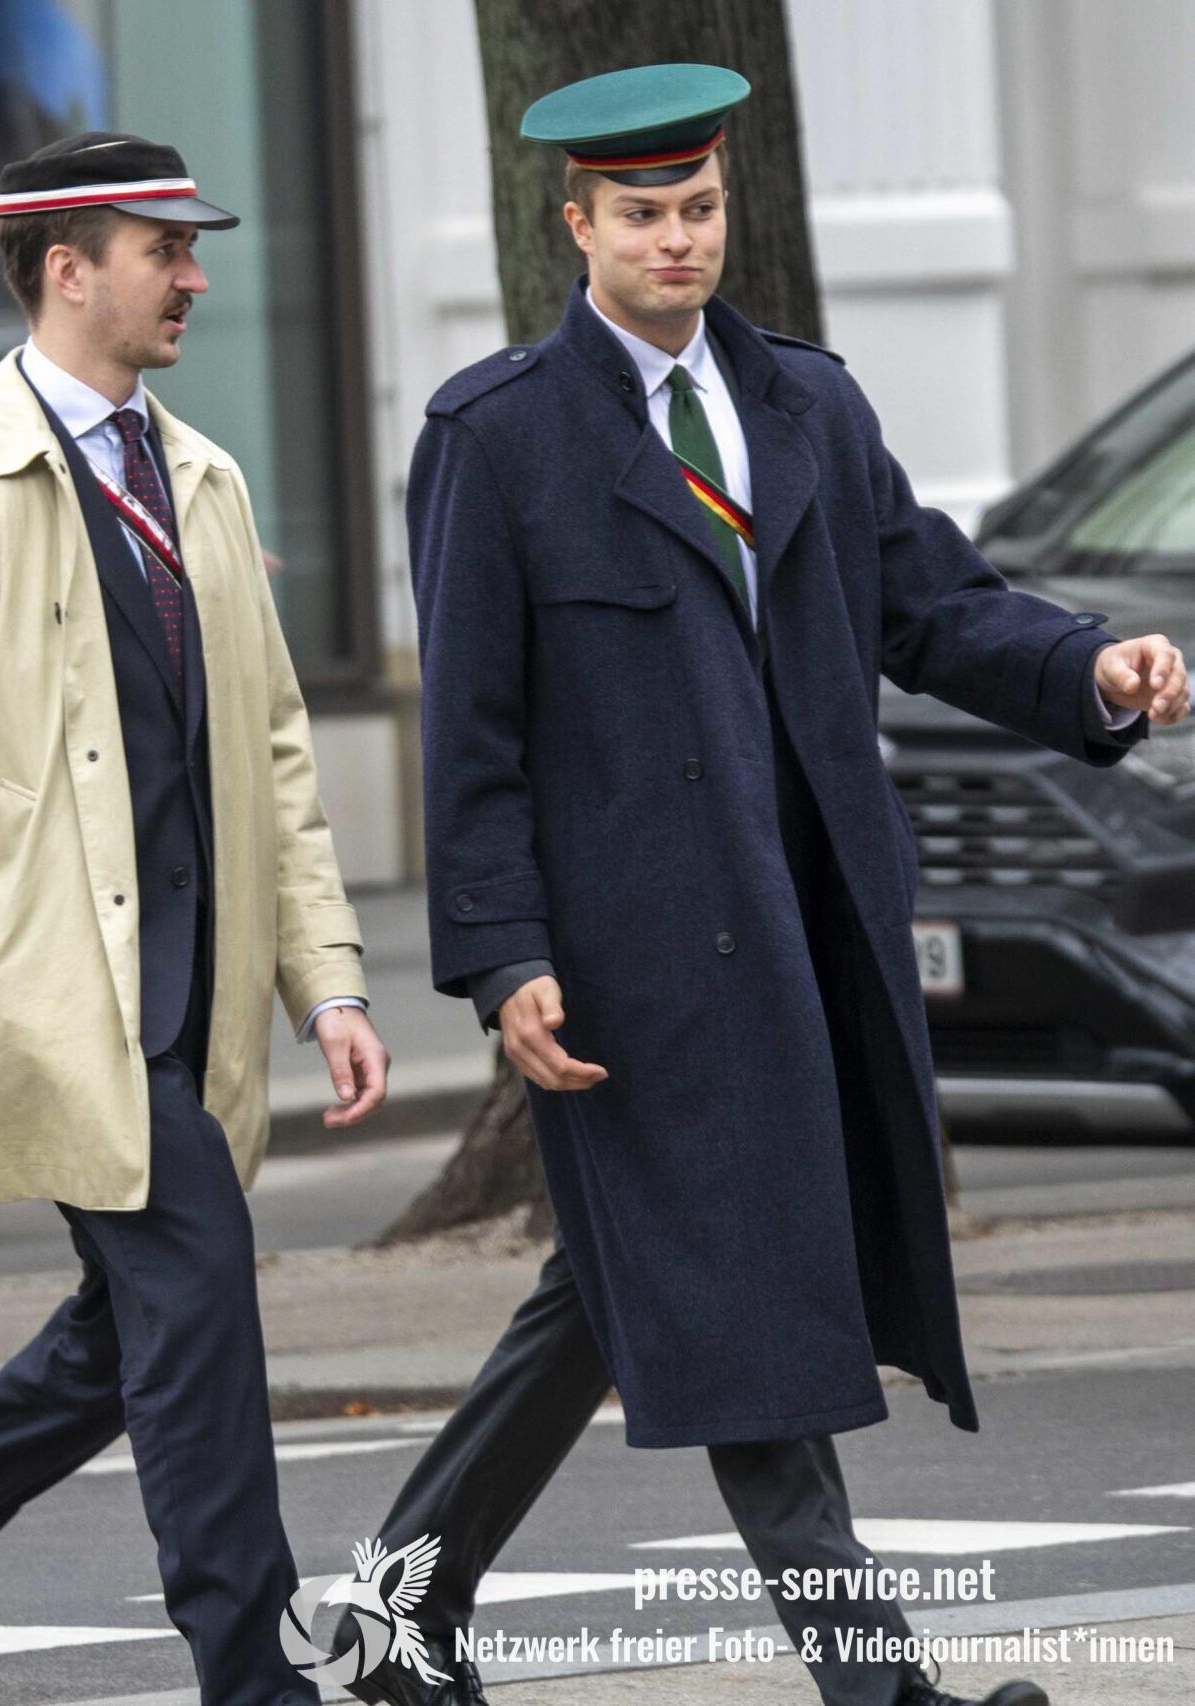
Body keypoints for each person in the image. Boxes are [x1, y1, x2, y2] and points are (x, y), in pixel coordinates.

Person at [361, 64, 1185, 1706]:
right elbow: (473, 736)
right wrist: (503, 952)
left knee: (613, 1286)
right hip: (634, 963)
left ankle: (398, 1614)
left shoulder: (809, 403)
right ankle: (882, 1688)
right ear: (576, 225)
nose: (678, 239)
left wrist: (1091, 668)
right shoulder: (497, 437)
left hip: (810, 933)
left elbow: (935, 608)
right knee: (743, 1312)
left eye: (700, 207)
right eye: (642, 214)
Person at [0, 132, 392, 1706]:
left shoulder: (205, 478)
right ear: (68, 269)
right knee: (201, 1303)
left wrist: (327, 980)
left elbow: (273, 750)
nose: (195, 278)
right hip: (65, 1006)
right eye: (163, 251)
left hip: (200, 1004)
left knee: (127, 1337)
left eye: (191, 250)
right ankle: (254, 1676)